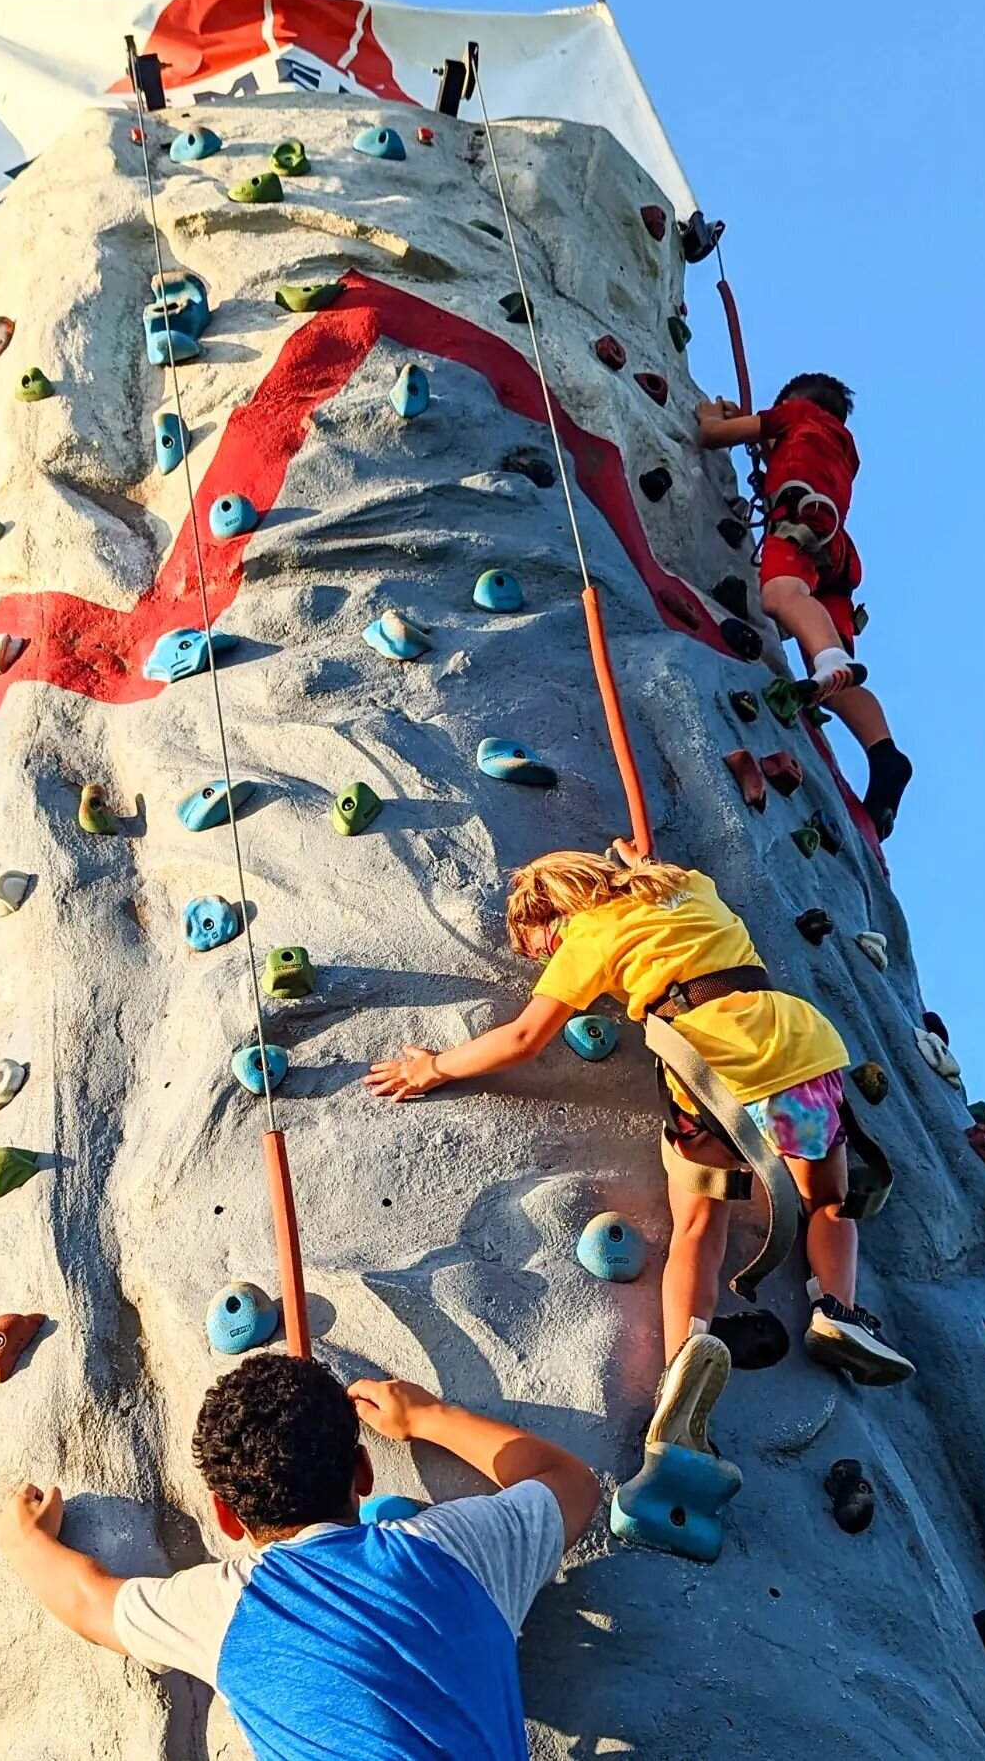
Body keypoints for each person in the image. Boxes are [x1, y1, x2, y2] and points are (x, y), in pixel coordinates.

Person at [367, 845, 914, 1435]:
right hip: (795, 1051)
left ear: (555, 914)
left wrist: (434, 1068)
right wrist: (636, 862)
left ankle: (685, 1355)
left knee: (699, 1226)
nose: (547, 958)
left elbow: (525, 1036)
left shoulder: (588, 937)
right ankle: (838, 1310)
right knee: (828, 1201)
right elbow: (652, 866)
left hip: (707, 1074)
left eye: (542, 947)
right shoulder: (688, 883)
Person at [0, 1353, 598, 1761]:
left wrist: (26, 1542)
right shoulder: (454, 1548)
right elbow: (569, 1480)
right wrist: (426, 1416)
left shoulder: (223, 1608)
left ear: (226, 1516)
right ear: (362, 1472)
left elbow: (87, 1601)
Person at [696, 372, 913, 839]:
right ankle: (884, 753)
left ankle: (831, 660)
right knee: (831, 670)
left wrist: (713, 414)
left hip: (801, 521)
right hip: (836, 548)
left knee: (780, 596)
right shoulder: (840, 446)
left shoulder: (797, 415)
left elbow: (711, 436)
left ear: (792, 403)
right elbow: (784, 453)